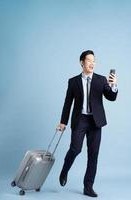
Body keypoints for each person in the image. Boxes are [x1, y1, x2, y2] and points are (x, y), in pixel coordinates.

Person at [57, 50, 118, 197]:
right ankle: (65, 170)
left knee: (93, 155)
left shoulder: (101, 80)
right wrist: (63, 122)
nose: (92, 63)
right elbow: (67, 103)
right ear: (81, 62)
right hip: (80, 120)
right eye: (89, 60)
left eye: (94, 61)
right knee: (75, 149)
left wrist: (113, 86)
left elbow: (111, 97)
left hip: (95, 122)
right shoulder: (73, 81)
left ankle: (88, 186)